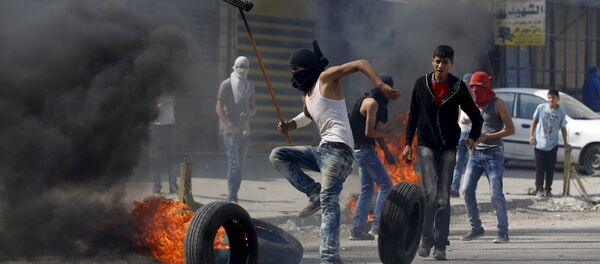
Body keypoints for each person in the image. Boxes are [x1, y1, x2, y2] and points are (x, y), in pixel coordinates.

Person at [269, 40, 400, 264]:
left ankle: (329, 258)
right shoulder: (309, 94)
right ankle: (313, 192)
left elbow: (361, 63)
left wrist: (381, 86)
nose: (294, 73)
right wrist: (290, 125)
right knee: (278, 155)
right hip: (322, 152)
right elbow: (307, 116)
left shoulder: (325, 78)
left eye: (297, 68)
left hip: (339, 153)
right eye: (291, 69)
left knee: (329, 201)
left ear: (308, 67)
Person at [402, 45, 483, 261]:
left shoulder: (458, 86)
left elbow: (476, 115)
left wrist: (473, 137)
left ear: (451, 64)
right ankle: (426, 239)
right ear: (432, 61)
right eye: (437, 61)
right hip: (426, 145)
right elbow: (413, 115)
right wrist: (408, 142)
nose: (440, 65)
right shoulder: (421, 84)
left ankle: (440, 245)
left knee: (443, 198)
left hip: (448, 147)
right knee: (430, 193)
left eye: (444, 62)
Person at [460, 71, 515, 244]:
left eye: (479, 89)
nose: (475, 92)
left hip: (493, 154)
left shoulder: (498, 104)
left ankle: (503, 232)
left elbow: (510, 130)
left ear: (486, 88)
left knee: (495, 194)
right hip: (475, 154)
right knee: (466, 190)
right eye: (473, 89)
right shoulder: (474, 104)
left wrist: (487, 137)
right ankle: (476, 228)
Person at [348, 74, 396, 241]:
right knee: (386, 185)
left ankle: (356, 231)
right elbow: (370, 132)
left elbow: (374, 134)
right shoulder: (373, 104)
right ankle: (377, 227)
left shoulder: (366, 100)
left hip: (361, 150)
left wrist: (387, 152)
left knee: (367, 191)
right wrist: (388, 132)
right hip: (364, 151)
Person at [216, 56, 256, 203]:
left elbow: (253, 108)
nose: (242, 69)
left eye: (245, 66)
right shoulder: (226, 85)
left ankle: (235, 194)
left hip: (245, 130)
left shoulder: (250, 86)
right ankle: (232, 196)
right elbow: (218, 108)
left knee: (241, 166)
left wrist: (249, 114)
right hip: (230, 131)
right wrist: (231, 126)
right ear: (234, 66)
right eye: (240, 66)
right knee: (234, 163)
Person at [529, 89, 571, 198]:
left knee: (550, 169)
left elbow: (563, 128)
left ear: (558, 99)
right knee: (539, 169)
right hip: (539, 144)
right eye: (549, 97)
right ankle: (539, 189)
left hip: (552, 145)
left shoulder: (561, 112)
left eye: (554, 97)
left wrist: (566, 142)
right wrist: (532, 135)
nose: (551, 100)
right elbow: (534, 121)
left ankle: (548, 189)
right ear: (547, 98)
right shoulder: (541, 108)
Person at [450, 72, 474, 198]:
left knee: (471, 163)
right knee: (458, 163)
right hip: (461, 133)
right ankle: (454, 188)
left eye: (468, 83)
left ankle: (467, 189)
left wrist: (470, 120)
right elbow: (457, 116)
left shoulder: (477, 98)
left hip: (471, 134)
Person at [150, 94, 179, 194]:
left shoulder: (172, 86)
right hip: (156, 125)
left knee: (171, 156)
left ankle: (173, 184)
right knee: (155, 156)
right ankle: (157, 185)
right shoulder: (153, 86)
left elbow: (175, 101)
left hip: (171, 124)